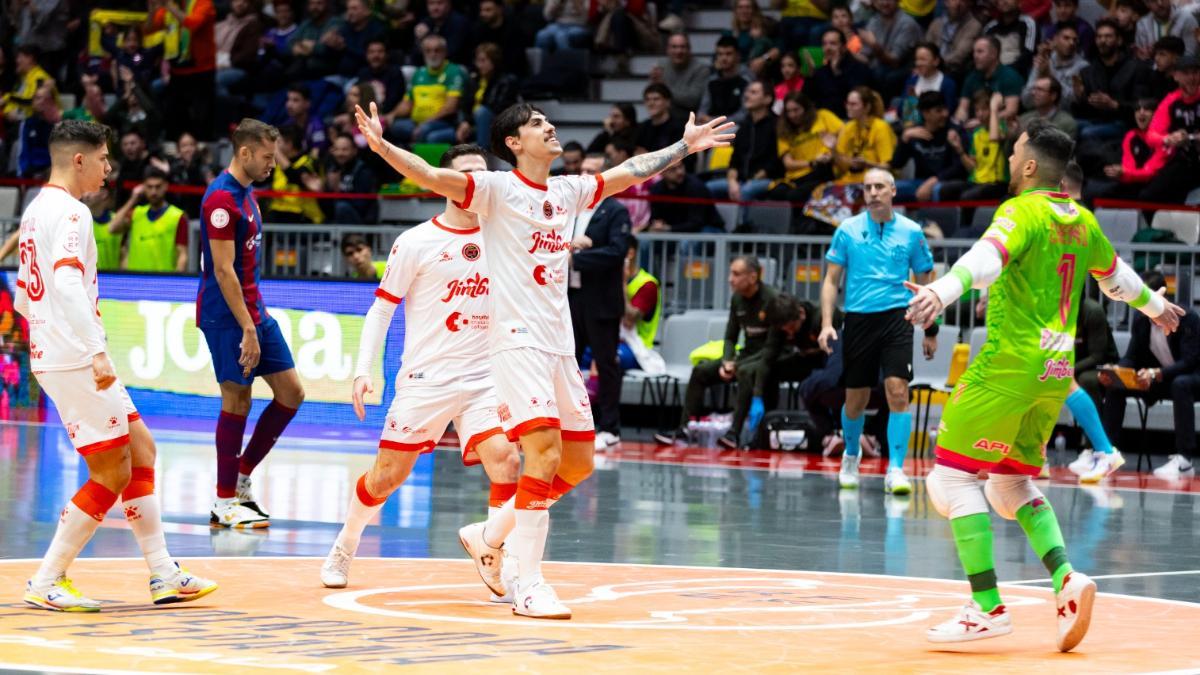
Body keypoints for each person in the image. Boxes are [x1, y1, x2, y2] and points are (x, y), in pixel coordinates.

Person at [353, 99, 732, 618]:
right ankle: (527, 583)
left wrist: (683, 147)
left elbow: (628, 172)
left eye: (549, 121)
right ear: (513, 143)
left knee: (578, 464)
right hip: (515, 343)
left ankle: (489, 534)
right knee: (543, 454)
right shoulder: (495, 189)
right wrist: (381, 145)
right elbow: (429, 174)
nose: (550, 127)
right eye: (537, 124)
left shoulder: (568, 190)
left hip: (559, 345)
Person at [903, 122, 1186, 649]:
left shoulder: (1020, 210)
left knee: (951, 481)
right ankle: (1066, 579)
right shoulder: (1081, 219)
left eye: (1013, 153)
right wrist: (1157, 307)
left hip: (1008, 367)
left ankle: (986, 607)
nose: (1009, 160)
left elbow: (985, 260)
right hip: (1057, 374)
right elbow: (1118, 277)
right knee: (1010, 486)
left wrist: (940, 293)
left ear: (1030, 165)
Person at [15, 119, 218, 612]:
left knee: (141, 449)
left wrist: (48, 338)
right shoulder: (72, 213)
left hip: (60, 353)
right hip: (77, 358)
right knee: (111, 470)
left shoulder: (34, 209)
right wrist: (93, 351)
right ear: (79, 160)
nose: (110, 168)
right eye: (104, 159)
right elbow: (62, 285)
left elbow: (24, 296)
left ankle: (164, 573)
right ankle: (48, 578)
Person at [321, 144, 522, 596]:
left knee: (507, 462)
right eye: (465, 174)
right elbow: (381, 310)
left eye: (482, 175)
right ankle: (346, 543)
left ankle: (493, 549)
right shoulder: (414, 242)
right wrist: (362, 369)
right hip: (425, 380)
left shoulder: (504, 236)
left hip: (485, 380)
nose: (475, 183)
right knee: (386, 477)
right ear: (444, 181)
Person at [198, 119, 306, 529]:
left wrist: (255, 320)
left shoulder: (247, 195)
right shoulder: (221, 201)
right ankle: (225, 501)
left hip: (255, 309)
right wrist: (246, 328)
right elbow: (223, 272)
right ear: (244, 153)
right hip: (227, 317)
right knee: (237, 399)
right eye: (266, 156)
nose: (272, 164)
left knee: (292, 392)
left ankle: (241, 478)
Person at [818, 168, 936, 494]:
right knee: (856, 399)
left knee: (898, 391)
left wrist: (929, 326)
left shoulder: (913, 232)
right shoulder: (848, 230)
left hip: (898, 318)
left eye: (879, 187)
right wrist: (827, 324)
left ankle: (896, 469)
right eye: (868, 187)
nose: (873, 192)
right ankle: (851, 457)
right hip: (857, 319)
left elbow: (926, 278)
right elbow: (831, 281)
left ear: (893, 191)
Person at [655, 256, 781, 449]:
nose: (730, 279)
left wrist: (736, 365)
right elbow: (730, 337)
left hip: (768, 358)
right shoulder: (737, 299)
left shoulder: (772, 299)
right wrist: (727, 361)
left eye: (736, 274)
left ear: (753, 277)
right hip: (745, 355)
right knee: (700, 371)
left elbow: (773, 347)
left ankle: (734, 434)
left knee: (744, 371)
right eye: (731, 273)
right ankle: (684, 428)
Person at [1100, 270, 1200, 480]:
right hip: (1160, 379)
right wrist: (1118, 371)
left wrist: (1157, 373)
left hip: (1191, 378)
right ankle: (1107, 453)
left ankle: (1184, 460)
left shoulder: (1187, 317)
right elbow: (1131, 357)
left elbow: (1190, 361)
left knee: (1181, 384)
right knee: (1116, 385)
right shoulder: (1140, 319)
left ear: (1160, 295)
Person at [569, 153, 632, 451]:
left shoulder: (616, 211)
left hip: (602, 300)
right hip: (570, 297)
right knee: (567, 363)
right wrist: (568, 249)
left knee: (605, 364)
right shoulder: (569, 210)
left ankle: (610, 427)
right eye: (581, 170)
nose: (584, 175)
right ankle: (570, 423)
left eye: (591, 171)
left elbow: (617, 252)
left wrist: (578, 257)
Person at [1065, 291, 1124, 483]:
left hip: (1103, 365)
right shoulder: (1055, 311)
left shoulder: (1093, 311)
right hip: (1072, 366)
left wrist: (1065, 369)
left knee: (1086, 381)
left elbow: (1098, 356)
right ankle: (1035, 455)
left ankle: (1095, 450)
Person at [766, 92, 842, 226]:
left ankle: (800, 232)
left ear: (806, 108)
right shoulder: (784, 129)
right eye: (789, 111)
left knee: (795, 196)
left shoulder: (823, 116)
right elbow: (788, 163)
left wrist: (832, 151)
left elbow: (844, 132)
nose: (793, 115)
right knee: (775, 192)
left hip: (823, 171)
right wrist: (812, 162)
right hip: (798, 175)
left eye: (796, 110)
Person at [1072, 18, 1146, 143]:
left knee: (1087, 133)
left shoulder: (1136, 68)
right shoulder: (1088, 71)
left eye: (1108, 36)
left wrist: (1114, 105)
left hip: (1123, 122)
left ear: (1119, 40)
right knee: (1067, 127)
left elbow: (1141, 105)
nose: (1103, 41)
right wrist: (1080, 97)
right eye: (1099, 37)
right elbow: (1082, 111)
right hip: (1096, 120)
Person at [1137, 55, 1200, 203]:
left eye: (1195, 72)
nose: (1192, 78)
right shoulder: (1171, 101)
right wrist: (1168, 139)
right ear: (1176, 76)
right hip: (1184, 161)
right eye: (1186, 73)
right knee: (1148, 197)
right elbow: (1151, 136)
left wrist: (1190, 138)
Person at [387, 34, 464, 145]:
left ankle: (414, 159)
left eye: (437, 50)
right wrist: (392, 115)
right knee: (395, 126)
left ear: (445, 52)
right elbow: (407, 103)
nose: (433, 54)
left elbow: (450, 107)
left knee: (424, 131)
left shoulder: (453, 71)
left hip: (442, 121)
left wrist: (427, 122)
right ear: (423, 53)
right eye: (428, 51)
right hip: (416, 122)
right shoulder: (418, 73)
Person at [109, 168, 189, 272]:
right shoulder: (136, 213)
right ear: (143, 187)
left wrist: (176, 282)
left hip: (163, 282)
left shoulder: (178, 217)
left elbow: (182, 254)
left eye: (158, 187)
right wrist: (133, 199)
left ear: (165, 186)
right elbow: (112, 228)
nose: (153, 191)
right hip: (135, 281)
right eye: (149, 187)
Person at [892, 91, 966, 202]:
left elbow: (959, 168)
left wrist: (934, 180)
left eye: (945, 109)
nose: (945, 114)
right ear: (925, 113)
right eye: (939, 111)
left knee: (937, 190)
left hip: (946, 181)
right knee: (888, 189)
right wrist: (904, 139)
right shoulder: (915, 133)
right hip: (920, 181)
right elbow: (897, 164)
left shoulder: (955, 131)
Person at [455, 43, 519, 149]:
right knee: (434, 136)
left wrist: (469, 122)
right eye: (478, 61)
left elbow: (495, 108)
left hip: (494, 126)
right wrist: (464, 122)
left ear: (494, 61)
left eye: (483, 61)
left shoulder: (506, 81)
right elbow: (465, 105)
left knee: (482, 112)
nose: (479, 65)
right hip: (473, 124)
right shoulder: (475, 79)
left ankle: (483, 152)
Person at [807, 28, 876, 119]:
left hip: (849, 120)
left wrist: (836, 72)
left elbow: (854, 98)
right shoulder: (820, 72)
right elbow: (808, 98)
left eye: (833, 44)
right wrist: (810, 76)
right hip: (823, 122)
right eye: (824, 44)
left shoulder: (858, 69)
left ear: (843, 47)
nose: (828, 48)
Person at [955, 36, 1022, 127]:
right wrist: (959, 124)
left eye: (980, 51)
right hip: (974, 126)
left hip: (1001, 127)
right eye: (974, 52)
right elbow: (962, 108)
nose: (975, 56)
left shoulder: (1009, 76)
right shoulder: (972, 77)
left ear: (994, 54)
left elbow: (1011, 111)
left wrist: (983, 122)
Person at [1023, 25, 1087, 109]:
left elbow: (1070, 104)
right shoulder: (1044, 60)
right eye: (1066, 38)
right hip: (1039, 113)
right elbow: (1026, 100)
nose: (1072, 43)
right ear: (1055, 40)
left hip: (1065, 117)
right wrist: (1040, 72)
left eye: (1075, 40)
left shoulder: (1082, 66)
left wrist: (1049, 74)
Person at [621, 236, 661, 369]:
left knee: (606, 358)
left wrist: (622, 285)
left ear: (630, 254)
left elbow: (629, 320)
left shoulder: (648, 284)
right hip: (610, 341)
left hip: (637, 347)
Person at [649, 34, 712, 116]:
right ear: (667, 49)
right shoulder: (661, 66)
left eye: (683, 47)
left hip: (690, 117)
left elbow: (693, 100)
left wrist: (664, 87)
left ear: (689, 49)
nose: (678, 51)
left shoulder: (701, 69)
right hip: (664, 117)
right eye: (674, 47)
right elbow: (652, 95)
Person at [926, 0, 983, 79]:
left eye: (963, 1)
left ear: (969, 3)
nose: (958, 3)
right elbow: (926, 47)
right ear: (946, 2)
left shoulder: (974, 26)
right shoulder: (937, 23)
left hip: (954, 72)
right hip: (931, 67)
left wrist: (934, 64)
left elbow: (959, 55)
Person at [1013, 77, 1078, 140]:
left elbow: (1055, 149)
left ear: (1053, 96)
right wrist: (1012, 135)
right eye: (1034, 89)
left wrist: (1022, 134)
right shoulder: (1024, 118)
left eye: (1040, 90)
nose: (1033, 93)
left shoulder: (1066, 123)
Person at [983, 0, 1037, 75]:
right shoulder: (990, 27)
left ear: (1019, 3)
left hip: (1015, 75)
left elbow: (1028, 55)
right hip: (990, 74)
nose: (1004, 1)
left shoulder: (1028, 24)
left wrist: (1003, 72)